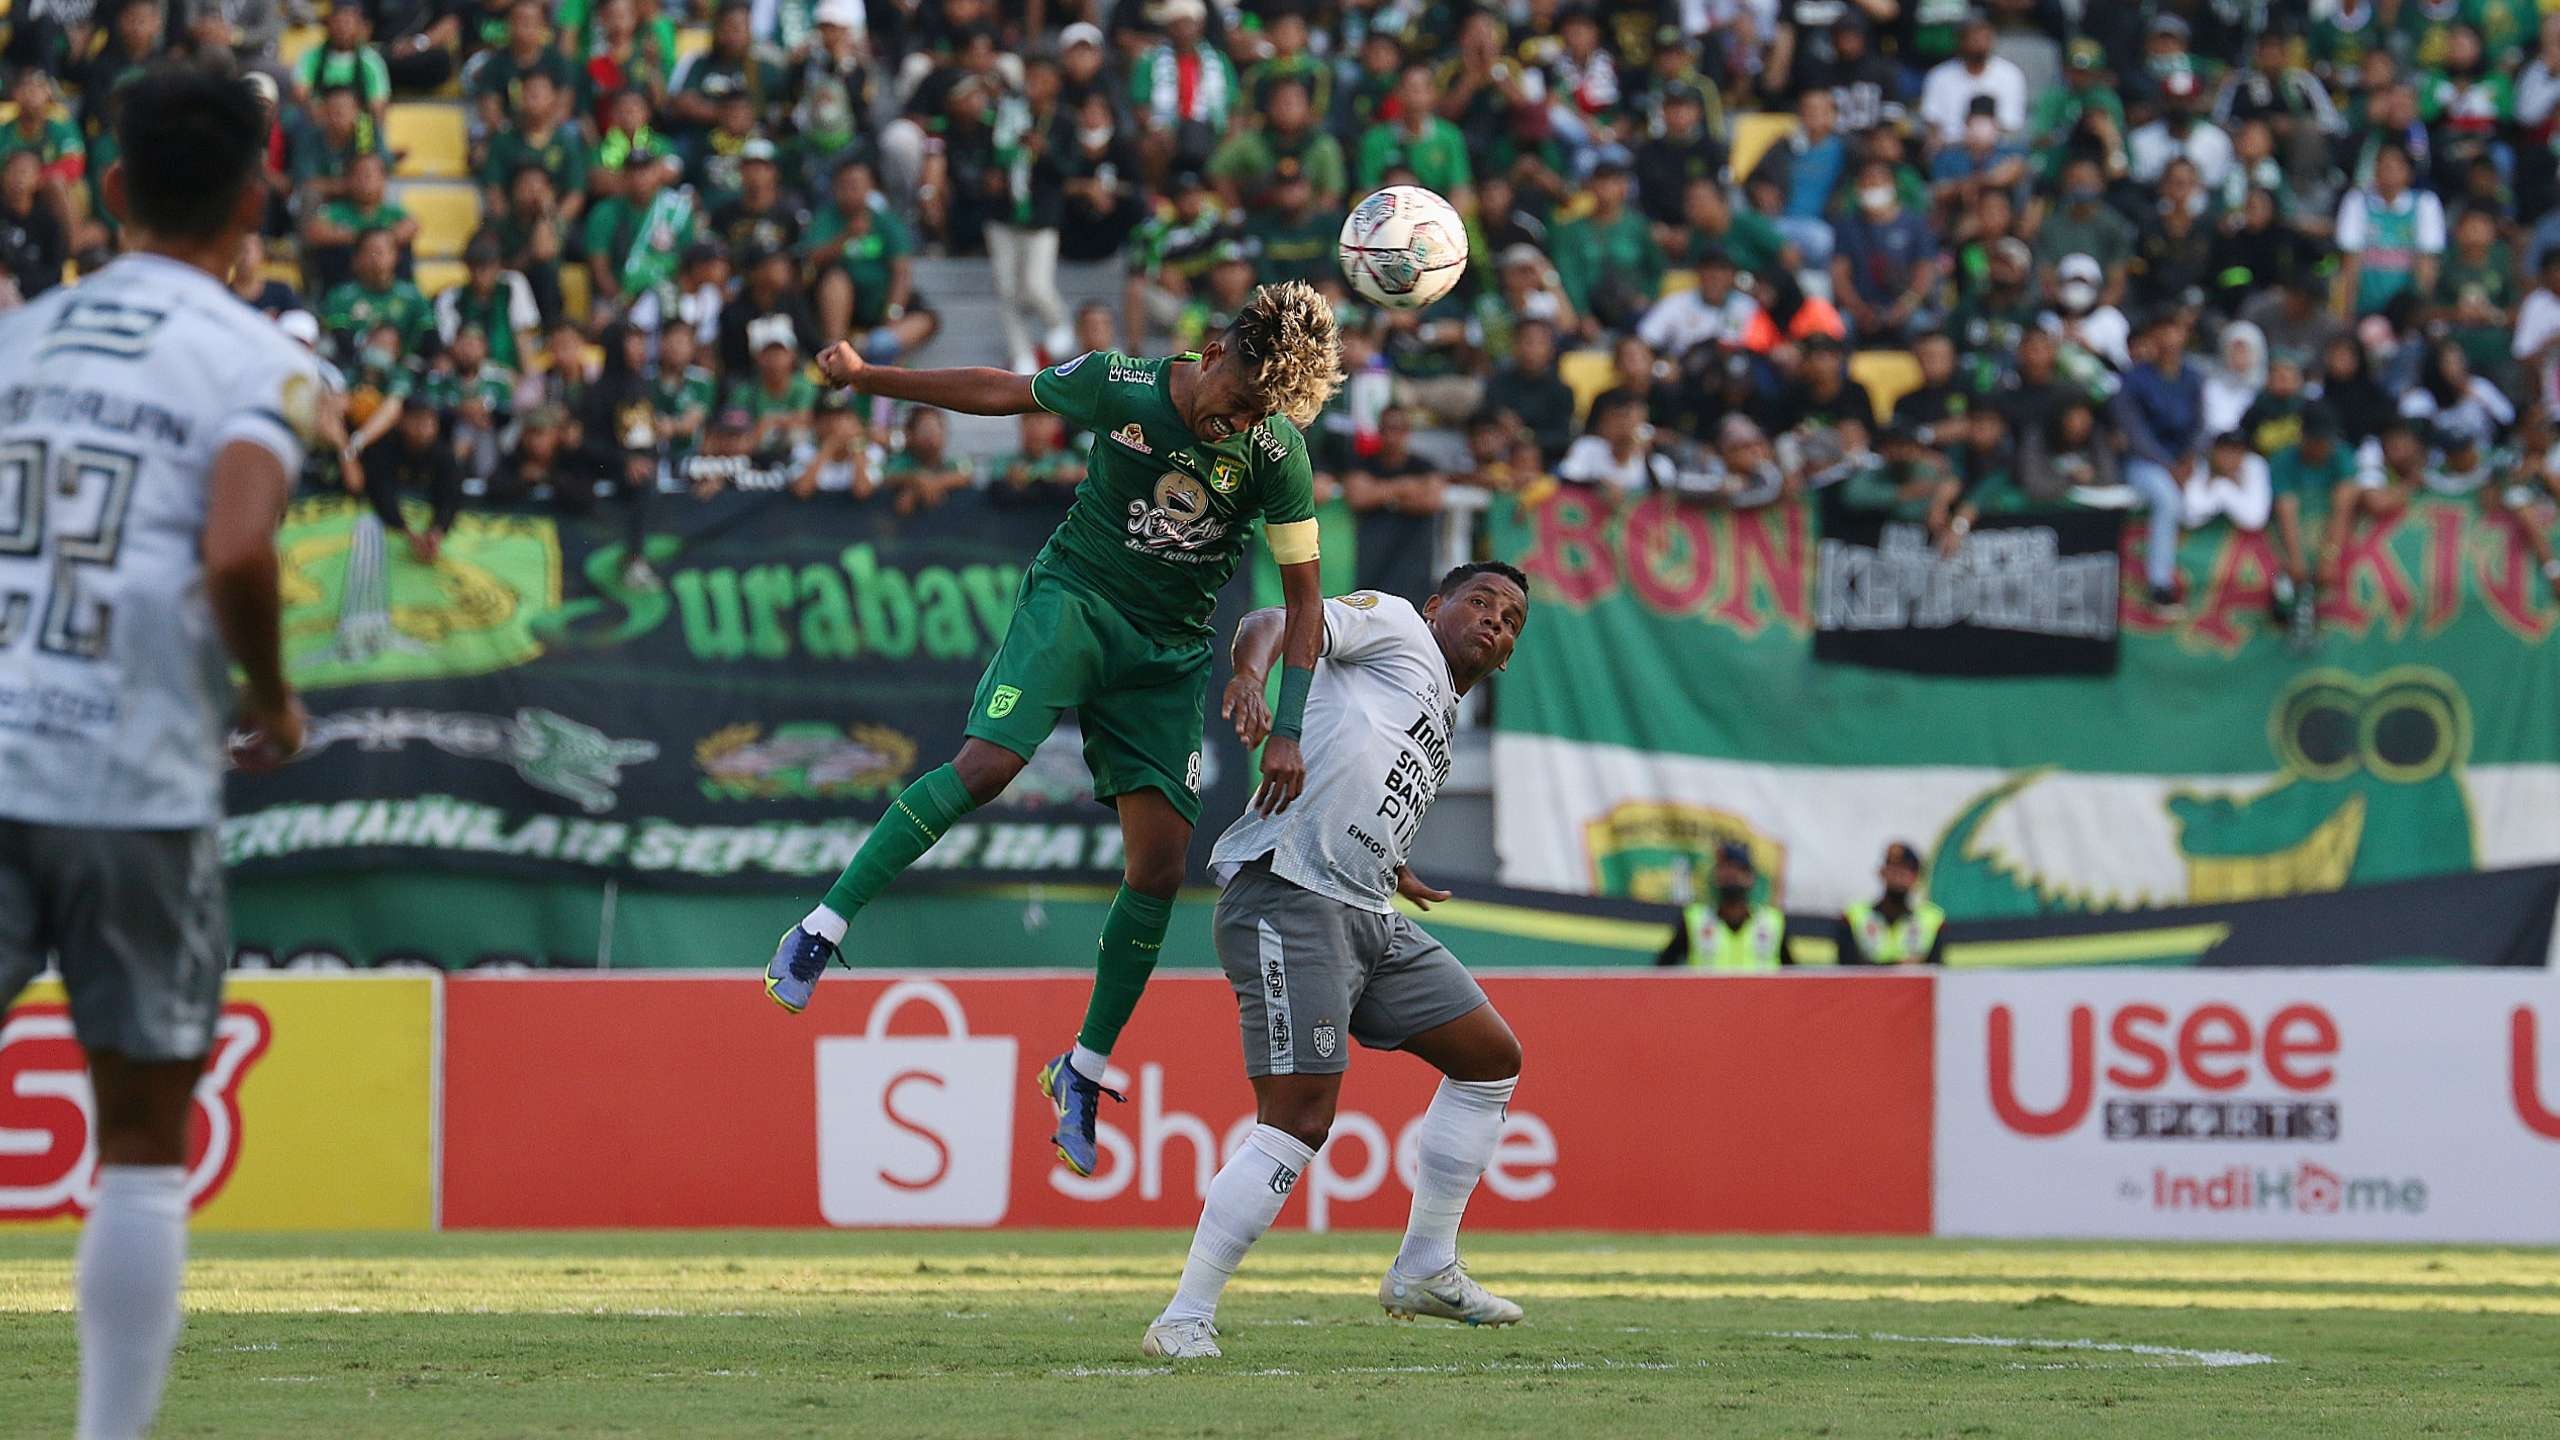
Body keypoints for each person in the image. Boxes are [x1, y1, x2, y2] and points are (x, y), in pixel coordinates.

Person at [765, 282, 1342, 1181]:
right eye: (1239, 402)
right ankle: (821, 926)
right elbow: (1003, 389)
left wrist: (1287, 725)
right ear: (1218, 350)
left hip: (1168, 654)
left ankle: (1082, 1069)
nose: (1240, 424)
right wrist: (869, 376)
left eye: (1263, 413)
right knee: (989, 765)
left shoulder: (1276, 452)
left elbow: (1305, 604)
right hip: (1078, 600)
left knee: (1159, 864)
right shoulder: (1124, 386)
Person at [0, 64, 324, 1440]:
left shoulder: (19, 343)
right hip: (131, 778)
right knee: (136, 1140)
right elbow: (238, 544)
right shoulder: (266, 363)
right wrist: (274, 696)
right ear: (258, 197)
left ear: (110, 190)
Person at [1142, 564, 1533, 1360]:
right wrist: (1253, 683)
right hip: (1291, 894)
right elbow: (1276, 617)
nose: (1495, 621)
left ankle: (1425, 1266)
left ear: (1509, 655)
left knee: (1491, 1059)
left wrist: (1392, 864)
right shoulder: (1393, 626)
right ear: (1436, 608)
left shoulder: (1438, 711)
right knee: (1299, 1120)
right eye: (1480, 602)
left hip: (1368, 910)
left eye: (1512, 619)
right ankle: (1183, 1317)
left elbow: (1359, 771)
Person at [1656, 842, 1793, 969]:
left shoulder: (1772, 923)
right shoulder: (1695, 920)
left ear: (1750, 877)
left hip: (1760, 995)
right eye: (1724, 868)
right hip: (1709, 995)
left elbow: (1794, 976)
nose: (1730, 874)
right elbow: (1661, 971)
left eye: (1737, 869)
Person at [1836, 842, 1946, 966]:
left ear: (1916, 878)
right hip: (1866, 985)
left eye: (1906, 870)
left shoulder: (1932, 918)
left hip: (1912, 985)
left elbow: (1938, 971)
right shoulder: (1854, 915)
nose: (1898, 876)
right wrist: (1898, 967)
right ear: (1882, 872)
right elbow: (1846, 969)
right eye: (1893, 869)